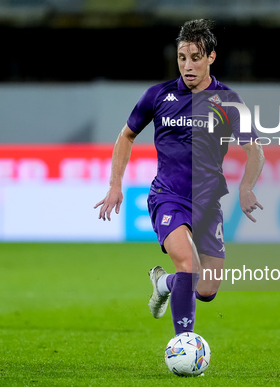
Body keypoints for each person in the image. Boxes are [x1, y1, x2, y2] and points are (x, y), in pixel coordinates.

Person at [95, 19, 264, 335]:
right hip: (167, 196)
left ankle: (163, 283)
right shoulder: (158, 96)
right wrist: (114, 183)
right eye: (182, 58)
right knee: (189, 266)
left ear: (211, 57)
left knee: (207, 289)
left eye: (195, 58)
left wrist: (246, 186)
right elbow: (126, 136)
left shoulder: (228, 101)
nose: (187, 66)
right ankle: (184, 345)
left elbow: (255, 150)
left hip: (207, 203)